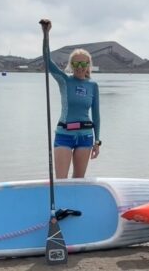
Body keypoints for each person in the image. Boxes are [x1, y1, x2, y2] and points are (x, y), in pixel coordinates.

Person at [40, 19, 101, 179]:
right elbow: (47, 60)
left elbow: (96, 116)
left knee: (78, 181)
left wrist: (98, 141)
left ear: (88, 65)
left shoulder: (93, 85)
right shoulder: (64, 81)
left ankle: (74, 205)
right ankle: (60, 205)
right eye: (76, 64)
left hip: (86, 136)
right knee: (61, 180)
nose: (80, 67)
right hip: (64, 135)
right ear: (71, 65)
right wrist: (46, 35)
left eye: (83, 63)